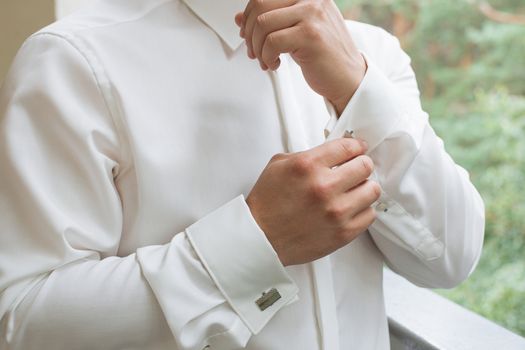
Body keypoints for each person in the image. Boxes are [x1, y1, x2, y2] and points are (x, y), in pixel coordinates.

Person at [0, 0, 485, 349]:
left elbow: (450, 259)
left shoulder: (372, 56)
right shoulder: (75, 60)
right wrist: (257, 243)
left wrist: (359, 91)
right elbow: (22, 323)